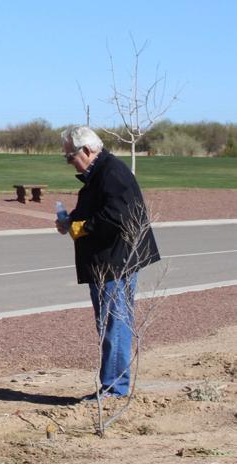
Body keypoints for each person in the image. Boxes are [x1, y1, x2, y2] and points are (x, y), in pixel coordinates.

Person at [57, 125, 160, 401]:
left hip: (116, 262)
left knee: (114, 322)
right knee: (111, 322)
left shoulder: (112, 173)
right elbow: (96, 207)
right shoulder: (99, 173)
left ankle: (114, 390)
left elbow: (118, 217)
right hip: (108, 261)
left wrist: (83, 228)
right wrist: (72, 220)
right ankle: (114, 387)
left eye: (70, 156)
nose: (69, 162)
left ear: (87, 151)